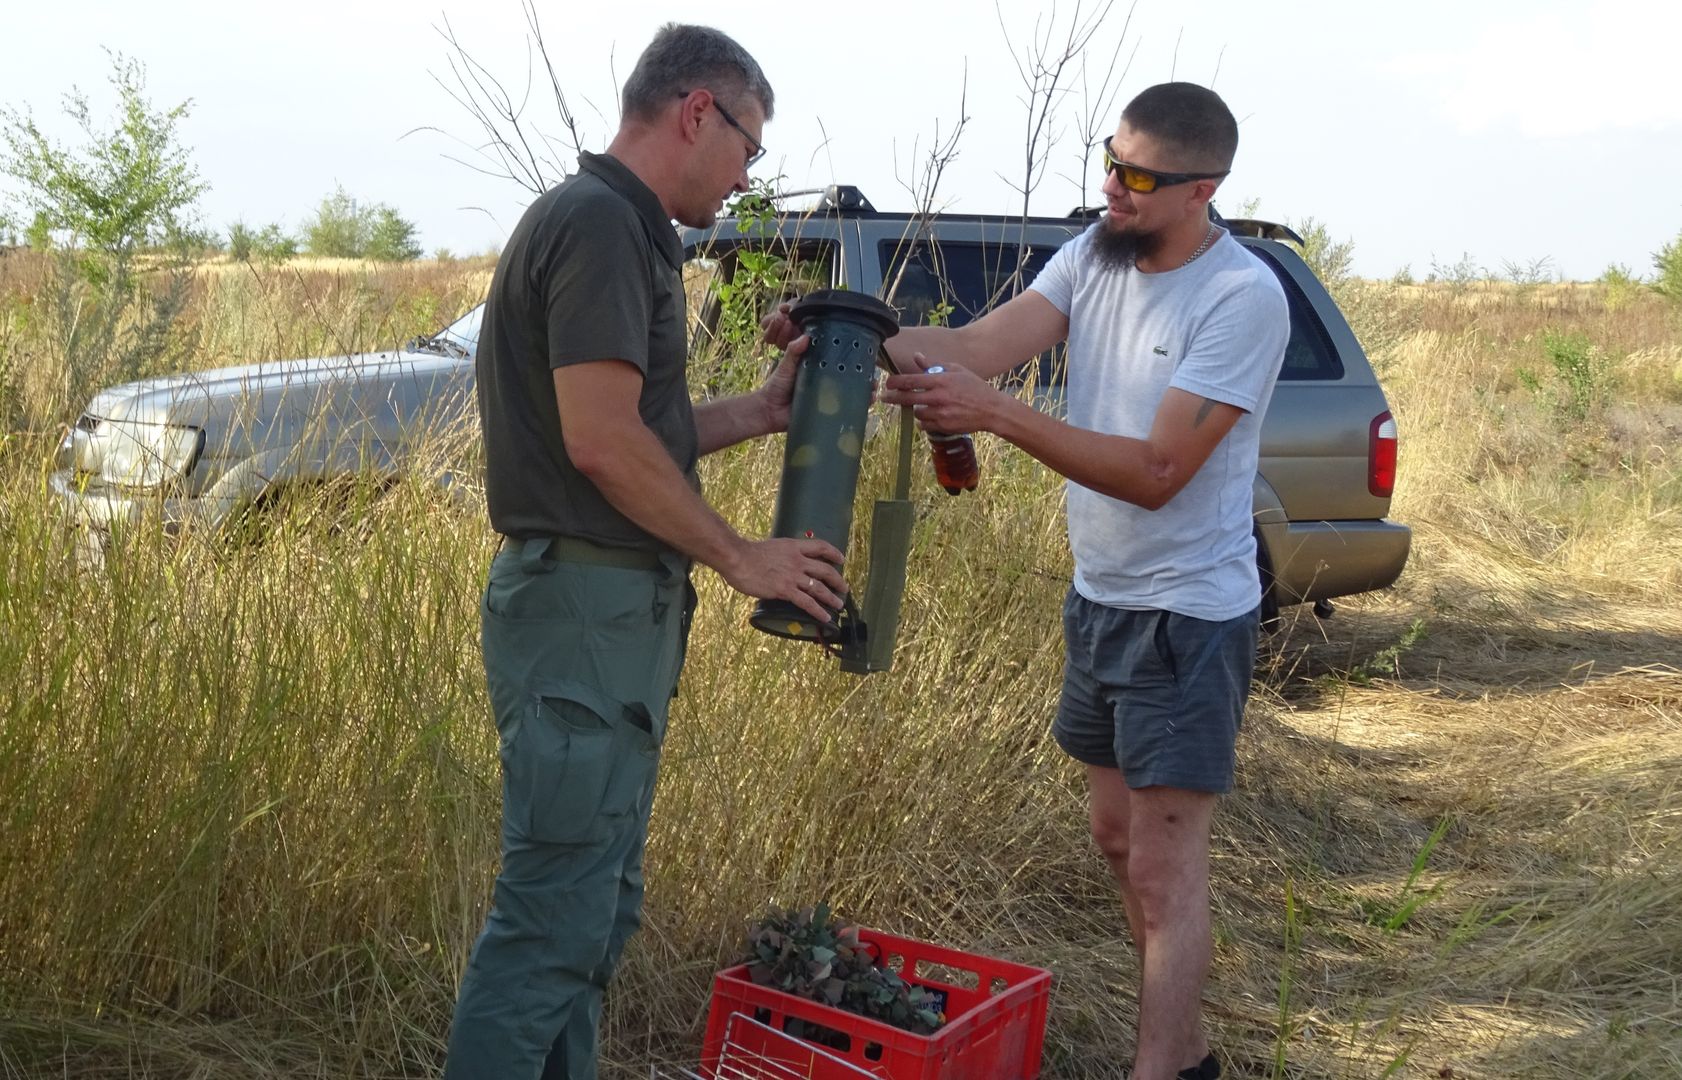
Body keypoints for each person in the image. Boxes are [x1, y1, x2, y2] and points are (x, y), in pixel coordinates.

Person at [774, 81, 1287, 1080]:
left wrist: (994, 414)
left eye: (1139, 177)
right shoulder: (1095, 254)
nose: (1112, 190)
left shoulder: (1240, 297)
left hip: (1185, 616)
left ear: (1202, 189)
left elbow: (1155, 473)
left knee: (1160, 862)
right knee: (1111, 836)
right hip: (1099, 599)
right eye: (1109, 161)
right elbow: (974, 348)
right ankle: (1184, 1049)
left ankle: (1164, 1068)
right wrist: (839, 337)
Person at [443, 24, 849, 1080]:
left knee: (588, 919)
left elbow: (634, 428)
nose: (750, 172)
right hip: (582, 613)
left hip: (604, 618)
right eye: (751, 145)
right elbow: (600, 441)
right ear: (696, 112)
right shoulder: (601, 226)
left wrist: (760, 413)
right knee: (547, 932)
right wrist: (739, 556)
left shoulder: (620, 226)